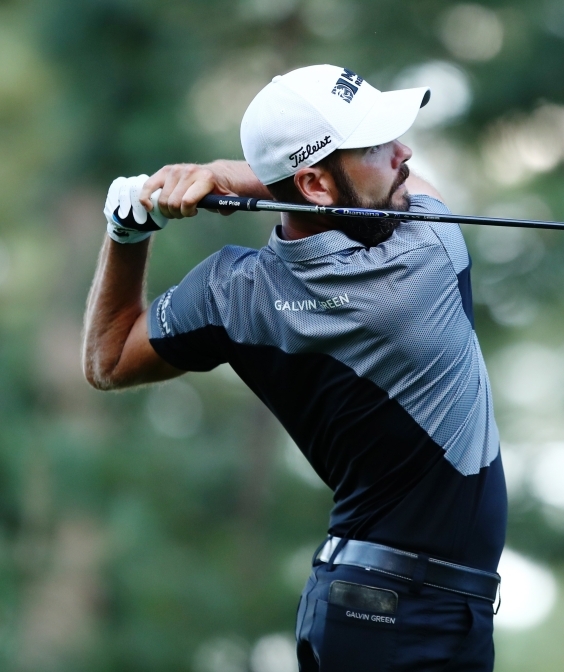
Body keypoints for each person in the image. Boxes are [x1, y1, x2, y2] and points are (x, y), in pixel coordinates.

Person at [83, 64, 506, 672]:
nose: (404, 155)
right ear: (315, 185)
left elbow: (108, 357)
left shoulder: (232, 293)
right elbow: (423, 191)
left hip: (367, 609)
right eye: (378, 147)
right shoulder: (425, 262)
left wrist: (128, 231)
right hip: (406, 616)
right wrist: (240, 177)